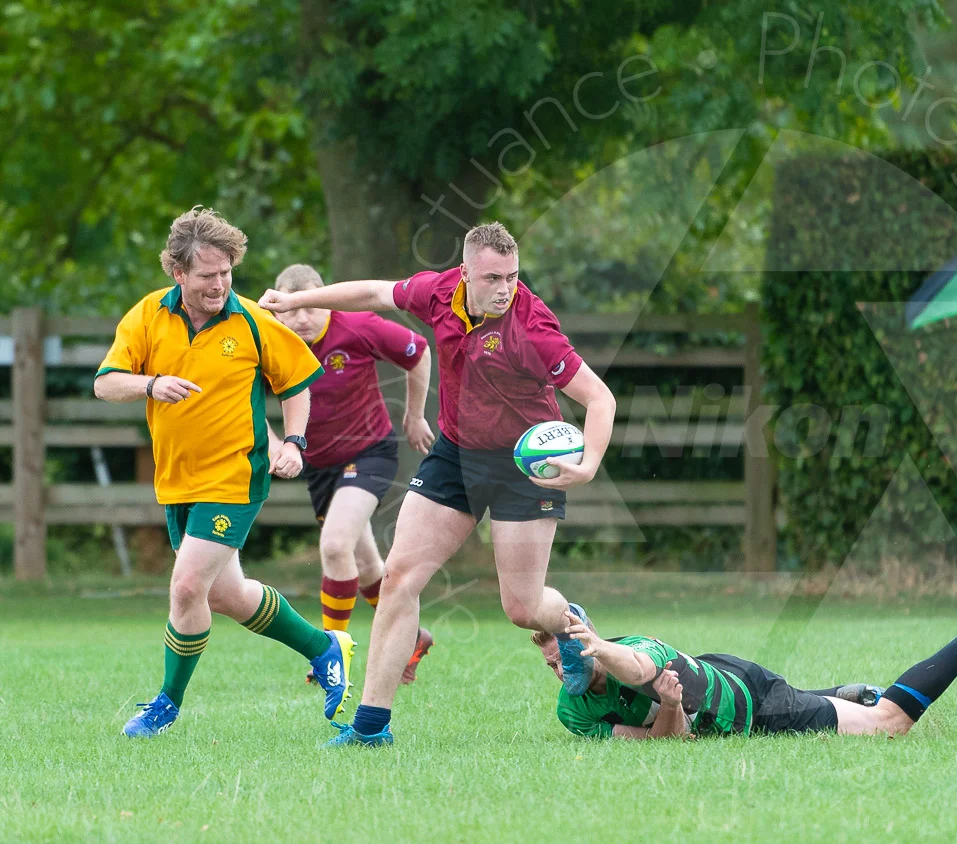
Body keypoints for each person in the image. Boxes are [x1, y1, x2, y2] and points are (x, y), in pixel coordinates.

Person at [258, 222, 617, 746]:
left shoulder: (532, 327)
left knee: (521, 608)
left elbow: (600, 398)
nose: (504, 289)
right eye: (492, 278)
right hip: (457, 454)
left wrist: (587, 465)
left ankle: (566, 620)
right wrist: (296, 300)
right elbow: (375, 293)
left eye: (512, 277)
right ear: (465, 273)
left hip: (522, 466)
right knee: (399, 577)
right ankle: (371, 727)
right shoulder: (439, 292)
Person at [96, 207, 353, 738]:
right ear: (179, 273)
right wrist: (151, 384)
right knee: (224, 595)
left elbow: (297, 383)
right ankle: (323, 647)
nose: (219, 285)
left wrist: (295, 442)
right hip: (177, 480)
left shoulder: (252, 321)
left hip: (235, 476)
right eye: (207, 275)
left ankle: (166, 704)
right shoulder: (148, 315)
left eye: (226, 272)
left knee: (188, 586)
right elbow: (106, 383)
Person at [534, 594, 957, 739]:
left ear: (587, 639)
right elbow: (659, 744)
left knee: (889, 723)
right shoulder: (571, 711)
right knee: (831, 708)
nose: (561, 671)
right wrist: (670, 708)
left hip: (749, 705)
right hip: (725, 686)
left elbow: (637, 667)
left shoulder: (635, 648)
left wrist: (597, 647)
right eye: (551, 664)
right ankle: (835, 694)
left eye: (567, 655)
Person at [268, 264, 437, 685]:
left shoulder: (357, 326)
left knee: (335, 544)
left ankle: (330, 654)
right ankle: (412, 638)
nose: (302, 318)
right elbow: (242, 397)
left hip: (369, 453)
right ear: (277, 309)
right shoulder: (267, 341)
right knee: (363, 562)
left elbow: (418, 351)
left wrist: (415, 415)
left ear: (325, 300)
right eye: (292, 309)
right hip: (320, 466)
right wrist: (276, 445)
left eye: (311, 306)